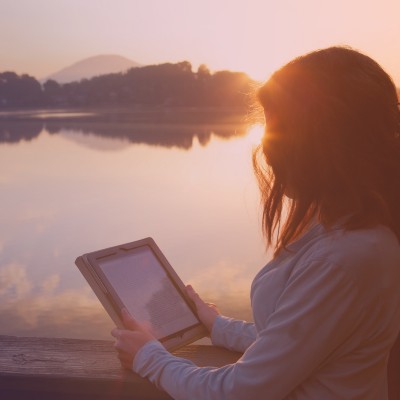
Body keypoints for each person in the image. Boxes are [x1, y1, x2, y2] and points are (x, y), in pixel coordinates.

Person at [111, 46, 400, 399]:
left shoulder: (347, 257)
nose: (266, 144)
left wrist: (149, 357)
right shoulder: (337, 229)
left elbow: (238, 392)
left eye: (278, 124)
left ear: (323, 138)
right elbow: (299, 341)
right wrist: (218, 327)